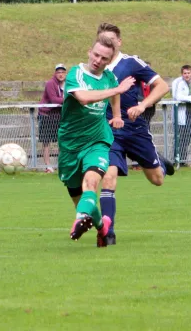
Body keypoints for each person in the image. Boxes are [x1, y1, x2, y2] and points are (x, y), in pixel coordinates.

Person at [97, 23, 174, 247]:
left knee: (157, 180)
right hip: (109, 131)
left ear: (119, 42)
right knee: (109, 178)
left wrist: (142, 105)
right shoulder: (95, 68)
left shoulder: (131, 63)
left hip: (135, 129)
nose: (108, 44)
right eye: (103, 40)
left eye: (111, 40)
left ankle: (159, 161)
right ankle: (108, 233)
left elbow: (162, 86)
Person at [58, 35, 136, 247]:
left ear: (109, 61)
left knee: (91, 184)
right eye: (96, 55)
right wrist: (117, 90)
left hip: (97, 141)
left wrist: (117, 115)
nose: (98, 60)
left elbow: (114, 94)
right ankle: (102, 227)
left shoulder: (109, 78)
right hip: (70, 146)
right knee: (84, 206)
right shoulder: (76, 73)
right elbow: (83, 98)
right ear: (89, 52)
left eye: (104, 58)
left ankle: (81, 222)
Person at [38, 64, 66, 173]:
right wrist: (69, 99)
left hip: (59, 116)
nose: (61, 74)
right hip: (46, 115)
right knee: (46, 142)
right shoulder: (50, 83)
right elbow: (54, 99)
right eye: (58, 72)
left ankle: (61, 165)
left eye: (62, 72)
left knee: (61, 141)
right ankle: (48, 166)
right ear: (55, 73)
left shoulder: (68, 84)